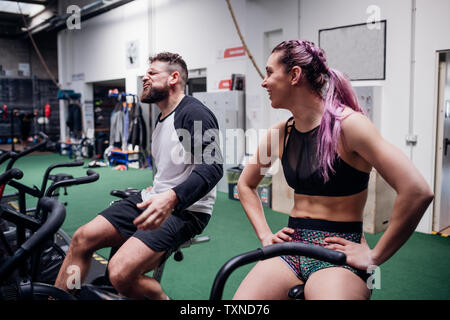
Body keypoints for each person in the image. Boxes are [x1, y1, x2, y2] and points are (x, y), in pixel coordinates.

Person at [233, 40, 434, 300]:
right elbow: (246, 184)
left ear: (294, 75)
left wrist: (375, 255)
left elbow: (417, 191)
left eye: (270, 72)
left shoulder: (351, 127)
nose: (264, 82)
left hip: (338, 252)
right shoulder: (279, 134)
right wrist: (265, 234)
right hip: (292, 247)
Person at [55, 52, 223, 300]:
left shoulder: (193, 113)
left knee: (120, 273)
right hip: (153, 199)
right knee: (82, 239)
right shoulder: (162, 117)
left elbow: (213, 166)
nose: (145, 77)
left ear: (173, 78)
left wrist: (172, 198)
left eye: (152, 73)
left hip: (187, 211)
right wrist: (160, 191)